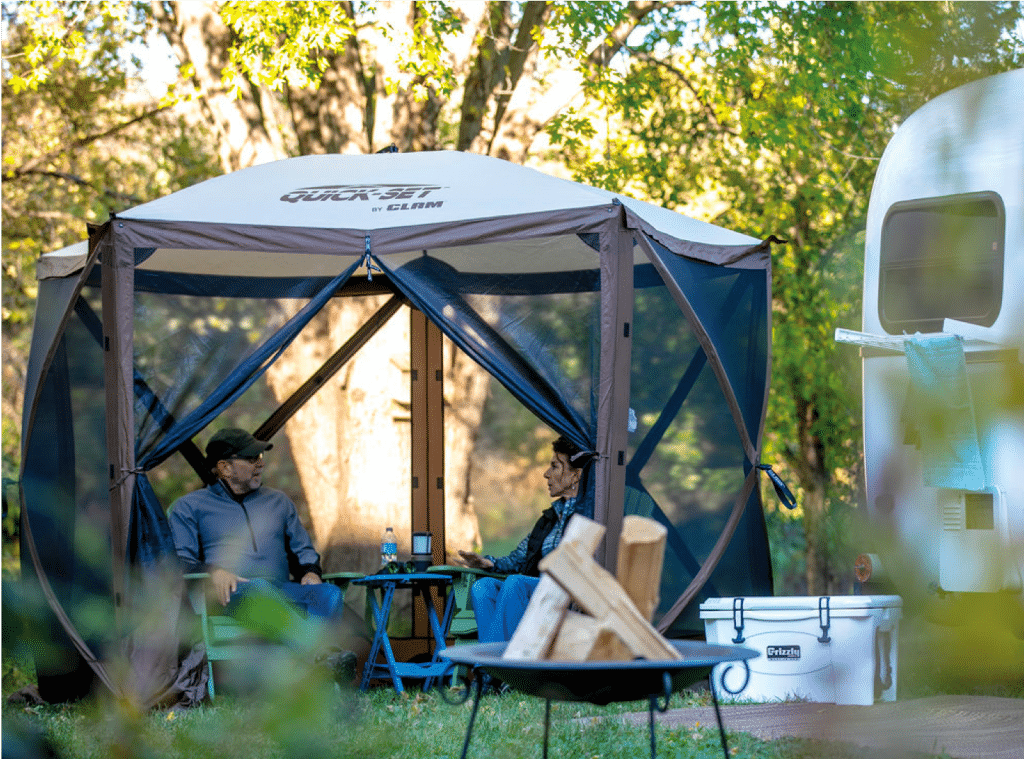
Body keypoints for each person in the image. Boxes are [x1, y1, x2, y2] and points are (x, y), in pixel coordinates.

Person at [169, 427, 344, 624]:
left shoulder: (279, 501)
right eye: (251, 458)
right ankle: (311, 643)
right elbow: (181, 560)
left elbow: (303, 550)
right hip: (230, 594)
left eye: (260, 456)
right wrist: (214, 571)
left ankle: (313, 643)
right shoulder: (190, 507)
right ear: (225, 468)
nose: (261, 464)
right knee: (260, 589)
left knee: (329, 593)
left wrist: (310, 571)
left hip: (280, 590)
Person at [457, 435, 594, 644]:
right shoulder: (549, 519)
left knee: (516, 583)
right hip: (537, 592)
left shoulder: (589, 516)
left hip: (568, 596)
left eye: (555, 466)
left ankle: (496, 661)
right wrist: (489, 563)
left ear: (576, 476)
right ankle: (494, 660)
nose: (546, 474)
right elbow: (519, 558)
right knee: (482, 587)